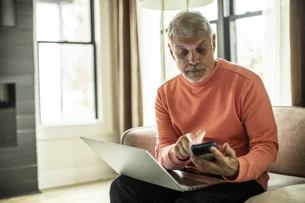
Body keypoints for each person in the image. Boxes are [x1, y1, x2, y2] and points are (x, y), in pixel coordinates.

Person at [110, 11, 279, 203]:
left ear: (213, 43)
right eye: (183, 52)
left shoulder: (247, 83)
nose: (193, 60)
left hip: (238, 180)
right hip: (188, 177)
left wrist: (236, 167)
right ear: (171, 51)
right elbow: (163, 152)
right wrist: (176, 153)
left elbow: (267, 146)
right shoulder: (165, 93)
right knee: (122, 185)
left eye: (201, 49)